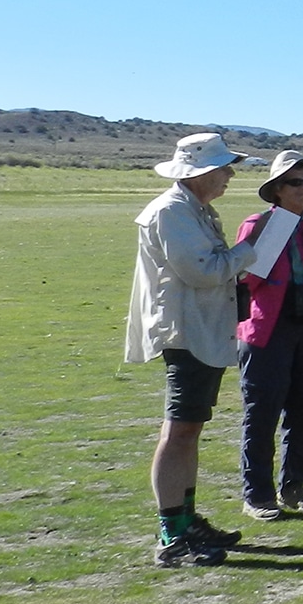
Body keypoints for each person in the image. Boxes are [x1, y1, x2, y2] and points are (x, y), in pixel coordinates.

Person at [125, 132, 256, 567]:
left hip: (201, 328)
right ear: (200, 173)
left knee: (188, 428)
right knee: (180, 430)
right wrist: (250, 252)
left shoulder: (192, 209)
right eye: (223, 168)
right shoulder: (172, 213)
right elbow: (204, 271)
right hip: (187, 332)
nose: (230, 175)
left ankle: (184, 519)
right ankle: (172, 532)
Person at [234, 151, 303, 520]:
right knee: (262, 414)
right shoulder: (258, 225)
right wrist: (264, 248)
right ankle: (258, 494)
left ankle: (294, 485)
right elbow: (245, 281)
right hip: (268, 331)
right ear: (277, 189)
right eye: (295, 182)